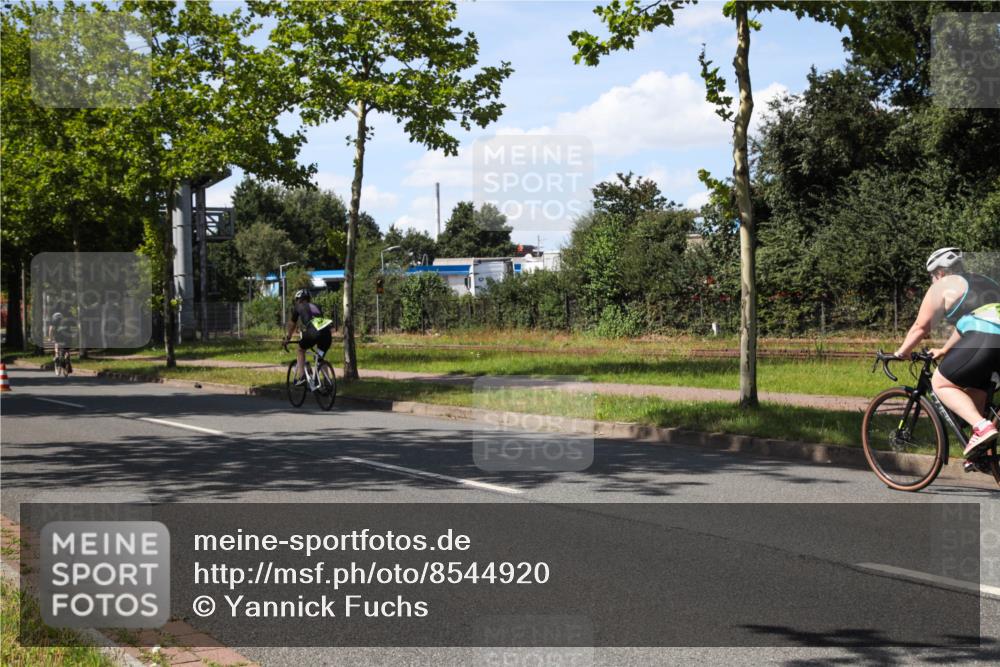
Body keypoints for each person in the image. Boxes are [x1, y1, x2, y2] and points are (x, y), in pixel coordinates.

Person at [893, 248, 1000, 461]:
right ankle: (979, 455)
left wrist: (901, 352)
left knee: (940, 383)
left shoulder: (944, 285)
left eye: (931, 277)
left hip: (986, 339)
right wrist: (944, 350)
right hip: (989, 340)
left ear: (939, 273)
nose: (932, 281)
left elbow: (921, 327)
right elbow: (971, 323)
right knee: (975, 388)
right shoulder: (985, 281)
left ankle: (982, 428)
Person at [282, 289, 334, 386]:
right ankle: (328, 383)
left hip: (314, 332)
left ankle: (302, 377)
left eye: (296, 300)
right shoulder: (317, 306)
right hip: (326, 334)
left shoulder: (298, 306)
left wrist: (288, 338)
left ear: (299, 300)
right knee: (320, 358)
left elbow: (292, 324)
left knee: (300, 350)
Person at [47, 309, 75, 374]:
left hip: (59, 337)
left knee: (56, 345)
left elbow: (50, 330)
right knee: (67, 350)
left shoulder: (53, 321)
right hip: (68, 337)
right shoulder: (65, 321)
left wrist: (50, 338)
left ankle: (57, 356)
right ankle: (67, 359)